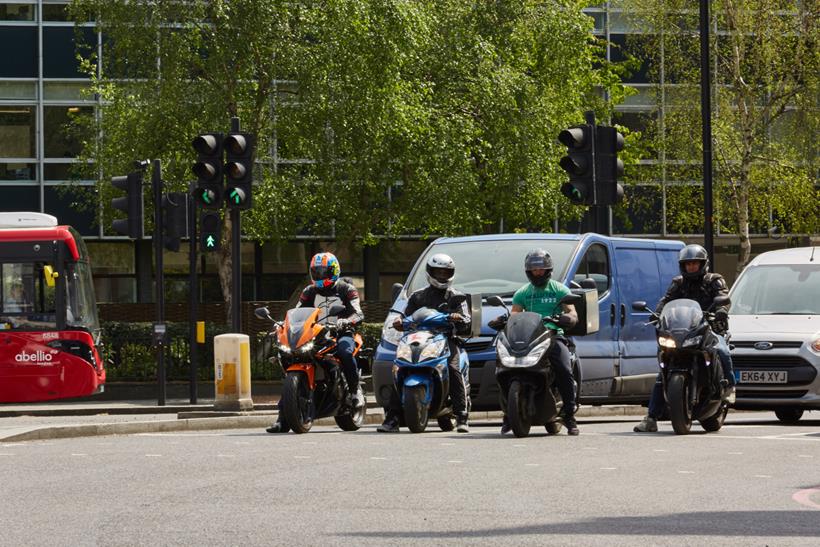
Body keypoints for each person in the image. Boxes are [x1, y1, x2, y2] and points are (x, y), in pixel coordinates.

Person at [634, 243, 736, 433]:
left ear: (702, 264)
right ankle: (651, 418)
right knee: (663, 370)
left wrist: (721, 310)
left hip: (709, 327)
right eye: (687, 264)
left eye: (694, 264)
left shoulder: (714, 280)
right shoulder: (678, 282)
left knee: (721, 350)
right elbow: (666, 300)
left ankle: (730, 388)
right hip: (682, 331)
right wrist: (657, 314)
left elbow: (724, 298)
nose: (691, 267)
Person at [266, 252, 364, 433]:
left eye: (324, 272)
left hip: (341, 333)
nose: (320, 276)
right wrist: (282, 326)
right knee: (290, 360)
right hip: (315, 334)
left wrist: (346, 321)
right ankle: (283, 418)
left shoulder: (346, 289)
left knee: (344, 352)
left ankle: (354, 391)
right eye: (316, 272)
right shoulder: (309, 291)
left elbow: (358, 313)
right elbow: (296, 313)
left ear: (334, 271)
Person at [377, 253, 472, 433]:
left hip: (445, 338)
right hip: (418, 338)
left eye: (446, 272)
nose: (442, 276)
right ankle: (392, 418)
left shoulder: (457, 297)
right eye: (438, 272)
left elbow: (466, 319)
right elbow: (404, 316)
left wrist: (459, 318)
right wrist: (398, 322)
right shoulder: (417, 296)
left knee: (453, 369)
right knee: (399, 367)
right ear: (430, 272)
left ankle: (462, 416)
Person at [490, 249, 580, 436]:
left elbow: (572, 312)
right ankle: (508, 414)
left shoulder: (560, 289)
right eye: (533, 270)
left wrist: (568, 318)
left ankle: (569, 415)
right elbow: (515, 315)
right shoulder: (522, 293)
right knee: (502, 367)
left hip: (553, 335)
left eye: (541, 269)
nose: (537, 273)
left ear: (548, 270)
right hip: (528, 338)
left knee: (564, 368)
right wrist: (503, 320)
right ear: (528, 272)